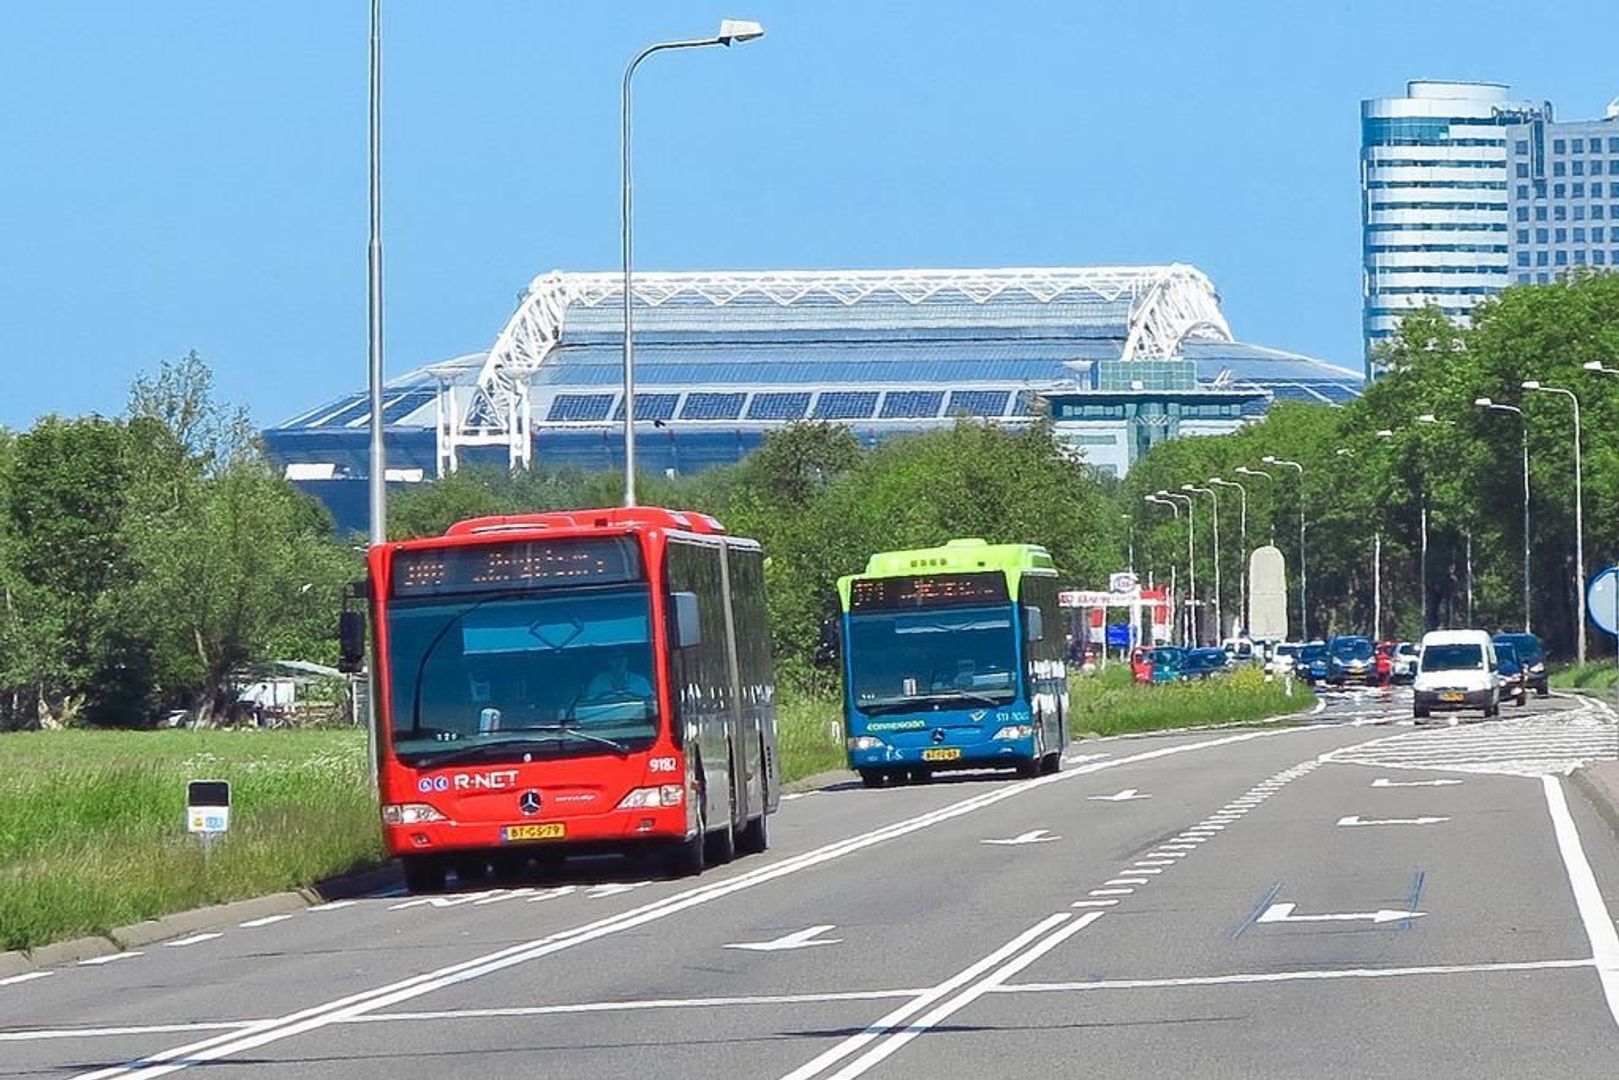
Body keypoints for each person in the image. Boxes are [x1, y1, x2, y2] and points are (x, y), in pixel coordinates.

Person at [585, 650, 653, 700]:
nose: (619, 661)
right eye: (614, 657)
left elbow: (650, 703)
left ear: (627, 659)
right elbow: (588, 703)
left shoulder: (640, 681)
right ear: (608, 661)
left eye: (622, 657)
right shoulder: (598, 682)